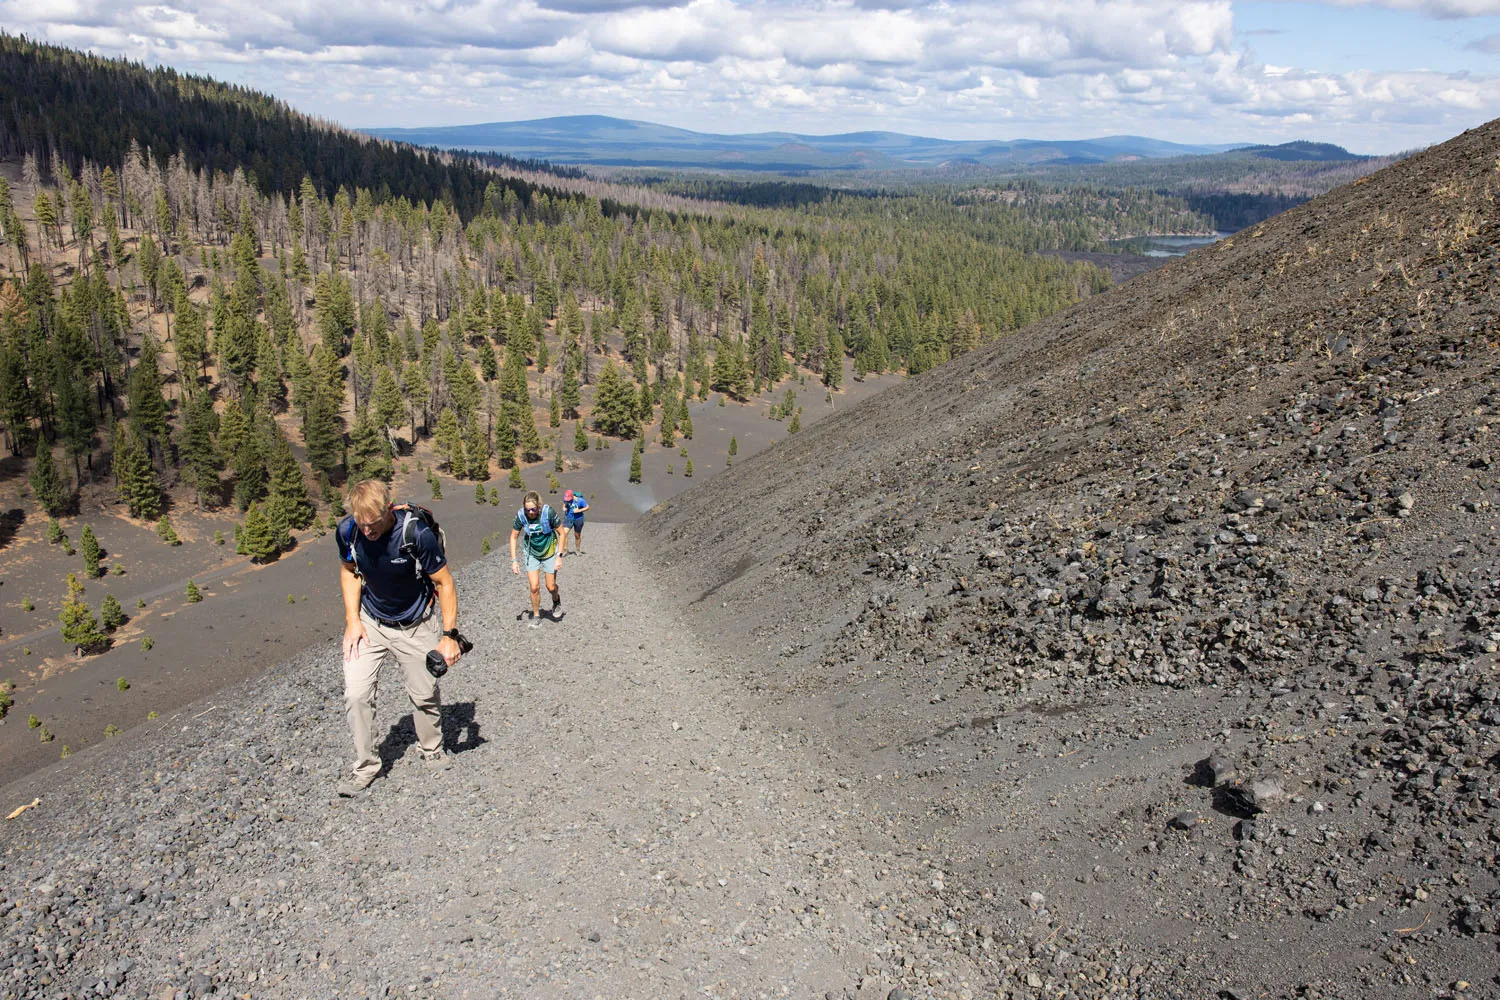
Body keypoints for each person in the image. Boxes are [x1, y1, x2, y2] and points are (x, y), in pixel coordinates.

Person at [335, 480, 463, 797]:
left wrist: (448, 635)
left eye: (374, 524)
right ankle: (365, 767)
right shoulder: (348, 531)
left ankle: (431, 747)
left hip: (416, 622)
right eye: (362, 524)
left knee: (424, 693)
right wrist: (352, 620)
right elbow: (349, 570)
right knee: (356, 694)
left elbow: (444, 582)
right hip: (371, 621)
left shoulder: (415, 533)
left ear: (388, 510)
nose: (367, 531)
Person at [511, 490, 563, 625]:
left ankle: (556, 600)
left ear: (539, 507)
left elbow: (562, 533)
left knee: (550, 586)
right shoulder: (521, 515)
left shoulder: (548, 513)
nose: (530, 513)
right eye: (527, 510)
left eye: (533, 509)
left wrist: (559, 556)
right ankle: (536, 615)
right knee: (534, 587)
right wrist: (514, 561)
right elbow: (514, 536)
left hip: (550, 551)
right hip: (531, 553)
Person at [561, 488, 590, 555]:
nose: (567, 500)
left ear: (572, 496)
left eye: (569, 499)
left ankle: (577, 550)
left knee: (577, 535)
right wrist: (564, 508)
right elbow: (564, 504)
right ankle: (565, 550)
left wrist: (579, 510)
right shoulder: (566, 499)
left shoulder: (580, 500)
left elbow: (588, 507)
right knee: (564, 533)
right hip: (568, 518)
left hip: (578, 519)